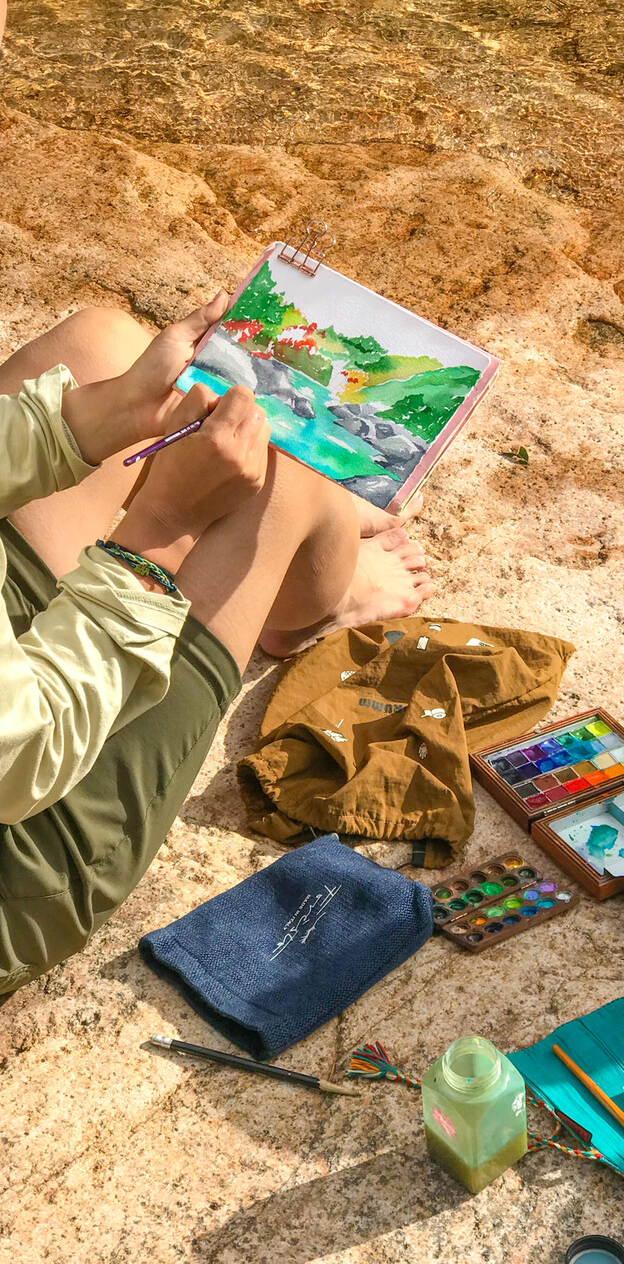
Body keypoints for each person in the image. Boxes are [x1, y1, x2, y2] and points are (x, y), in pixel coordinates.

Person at [0, 293, 433, 997]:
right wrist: (160, 526)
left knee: (100, 345)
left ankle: (303, 540)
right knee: (285, 482)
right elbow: (25, 751)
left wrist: (99, 416)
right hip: (20, 837)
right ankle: (303, 596)